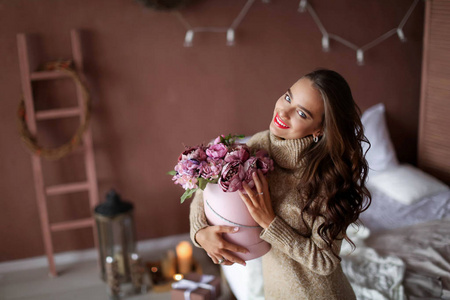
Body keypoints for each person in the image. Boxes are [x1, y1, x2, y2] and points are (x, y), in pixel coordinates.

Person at [189, 69, 371, 299]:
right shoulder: (257, 145)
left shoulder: (328, 178)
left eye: (302, 114)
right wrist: (200, 232)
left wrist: (270, 222)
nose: (283, 112)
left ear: (320, 130)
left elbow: (325, 262)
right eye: (287, 97)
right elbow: (205, 187)